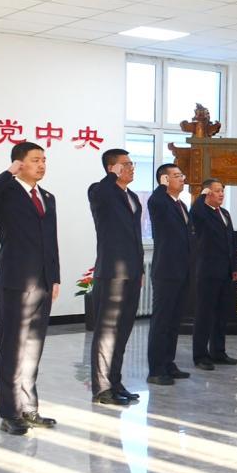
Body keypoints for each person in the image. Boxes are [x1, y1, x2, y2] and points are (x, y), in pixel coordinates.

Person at [0, 142, 60, 435]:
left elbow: (51, 241)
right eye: (35, 160)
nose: (42, 165)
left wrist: (55, 277)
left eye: (44, 159)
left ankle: (29, 408)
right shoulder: (5, 193)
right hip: (15, 282)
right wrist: (8, 173)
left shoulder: (47, 197)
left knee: (33, 348)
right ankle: (10, 413)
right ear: (19, 163)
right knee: (12, 350)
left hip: (43, 283)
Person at [87, 148, 144, 405]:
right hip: (111, 274)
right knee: (106, 333)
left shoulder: (132, 196)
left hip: (132, 272)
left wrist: (140, 269)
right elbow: (101, 192)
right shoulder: (100, 191)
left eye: (132, 164)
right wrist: (111, 176)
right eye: (126, 164)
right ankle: (102, 389)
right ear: (112, 168)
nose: (131, 168)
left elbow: (135, 237)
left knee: (122, 332)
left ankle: (115, 382)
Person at [146, 163, 194, 385]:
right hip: (166, 270)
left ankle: (168, 363)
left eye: (181, 174)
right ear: (164, 179)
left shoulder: (180, 204)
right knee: (162, 320)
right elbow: (155, 201)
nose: (182, 178)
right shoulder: (159, 201)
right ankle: (156, 369)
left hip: (182, 270)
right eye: (176, 175)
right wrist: (161, 187)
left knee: (174, 321)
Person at [190, 179, 237, 371]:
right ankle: (200, 355)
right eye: (217, 191)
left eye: (222, 191)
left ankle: (218, 352)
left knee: (221, 314)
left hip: (225, 271)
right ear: (207, 193)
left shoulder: (224, 213)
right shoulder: (201, 212)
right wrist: (201, 195)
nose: (221, 194)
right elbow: (195, 211)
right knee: (205, 314)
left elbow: (231, 241)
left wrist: (235, 267)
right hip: (208, 271)